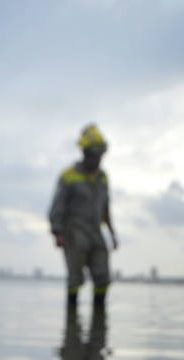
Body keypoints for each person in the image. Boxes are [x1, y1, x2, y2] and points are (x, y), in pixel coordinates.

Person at [48, 124, 118, 308]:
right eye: (94, 154)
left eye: (100, 154)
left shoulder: (103, 177)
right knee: (75, 279)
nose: (98, 158)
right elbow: (57, 206)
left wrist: (112, 233)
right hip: (74, 233)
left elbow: (106, 207)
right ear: (85, 153)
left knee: (103, 277)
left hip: (96, 232)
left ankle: (99, 315)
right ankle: (72, 320)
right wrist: (57, 232)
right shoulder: (69, 176)